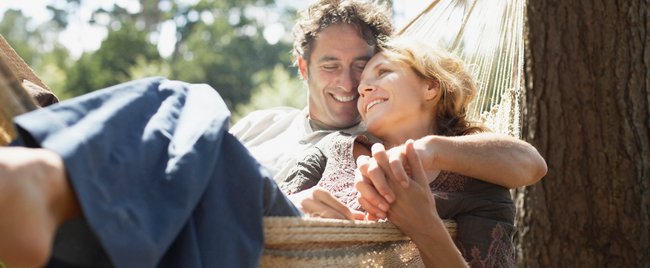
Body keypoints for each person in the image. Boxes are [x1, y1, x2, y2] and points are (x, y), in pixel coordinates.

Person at [282, 36, 532, 267]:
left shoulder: (478, 183)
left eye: (383, 72)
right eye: (361, 86)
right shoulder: (331, 147)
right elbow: (257, 219)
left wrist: (424, 225)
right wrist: (291, 206)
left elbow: (532, 163)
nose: (363, 89)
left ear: (431, 87)